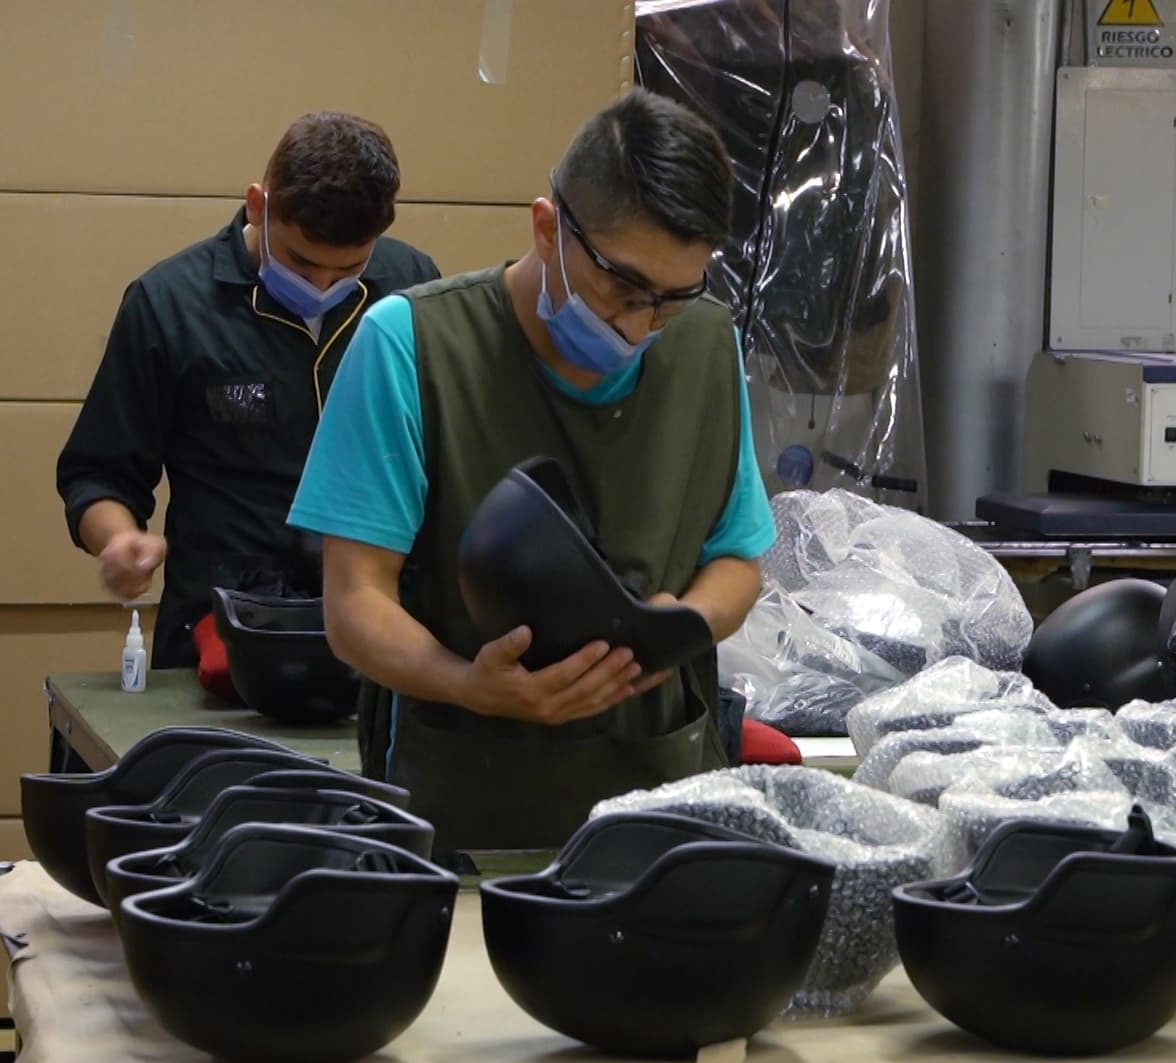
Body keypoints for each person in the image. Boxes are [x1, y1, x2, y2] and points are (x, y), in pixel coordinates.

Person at [288, 89, 775, 852]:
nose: (641, 327)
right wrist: (468, 683)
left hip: (662, 798)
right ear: (547, 228)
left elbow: (739, 559)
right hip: (463, 807)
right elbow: (354, 604)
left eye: (674, 299)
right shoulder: (410, 346)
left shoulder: (708, 349)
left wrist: (679, 628)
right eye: (622, 289)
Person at [56, 112, 441, 669]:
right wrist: (119, 541)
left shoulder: (410, 288)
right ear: (258, 204)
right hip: (222, 639)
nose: (322, 287)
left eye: (348, 269)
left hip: (380, 629)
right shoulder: (170, 304)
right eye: (302, 263)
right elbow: (97, 472)